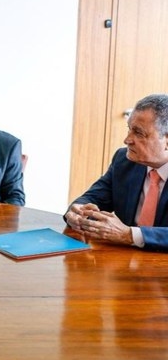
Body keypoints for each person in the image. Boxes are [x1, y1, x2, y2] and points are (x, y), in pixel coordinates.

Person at [65, 93, 168, 251]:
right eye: (129, 129)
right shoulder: (124, 160)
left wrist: (129, 234)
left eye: (138, 133)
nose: (127, 140)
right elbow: (94, 197)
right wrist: (78, 211)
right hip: (122, 257)